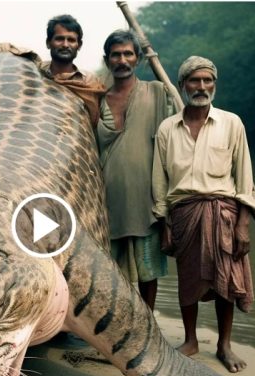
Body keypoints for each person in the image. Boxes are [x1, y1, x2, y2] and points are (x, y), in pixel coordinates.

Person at [152, 56, 255, 373]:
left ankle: (224, 345)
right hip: (184, 213)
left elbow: (244, 176)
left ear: (214, 84)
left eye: (207, 80)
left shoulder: (231, 123)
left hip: (224, 210)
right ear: (183, 85)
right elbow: (160, 181)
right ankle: (190, 340)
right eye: (194, 81)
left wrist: (242, 223)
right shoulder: (167, 129)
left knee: (226, 279)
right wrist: (164, 222)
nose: (201, 87)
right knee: (189, 278)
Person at [96, 30, 170, 309]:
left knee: (147, 272)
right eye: (116, 54)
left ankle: (147, 323)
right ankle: (115, 324)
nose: (122, 60)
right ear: (107, 60)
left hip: (146, 199)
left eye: (128, 54)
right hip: (105, 201)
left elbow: (174, 140)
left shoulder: (157, 92)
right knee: (109, 271)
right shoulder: (97, 99)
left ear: (138, 59)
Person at [41, 14, 105, 127]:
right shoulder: (36, 73)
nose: (65, 45)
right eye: (59, 39)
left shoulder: (89, 83)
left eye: (71, 40)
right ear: (48, 43)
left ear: (79, 45)